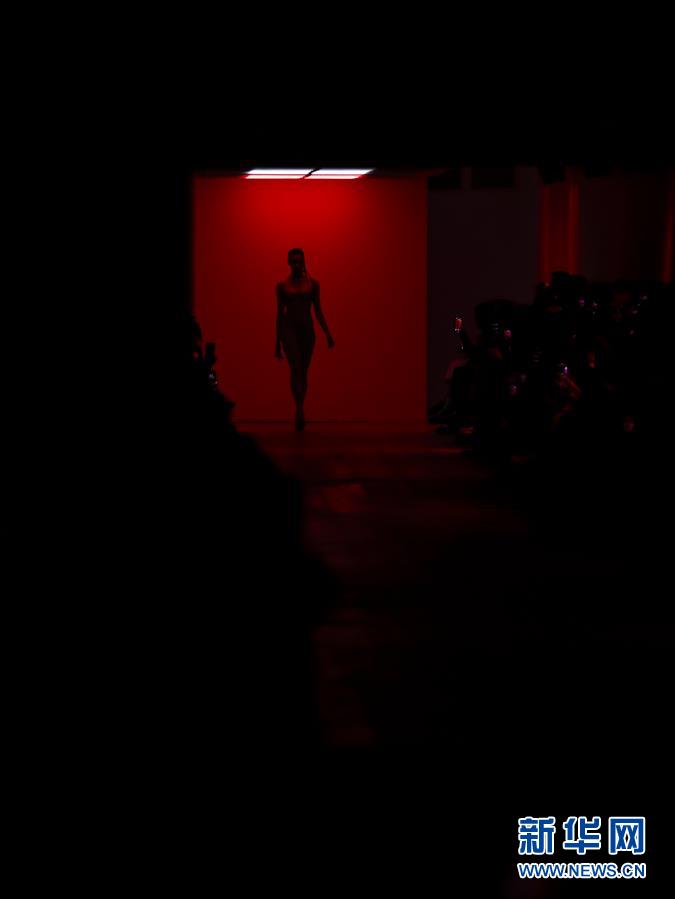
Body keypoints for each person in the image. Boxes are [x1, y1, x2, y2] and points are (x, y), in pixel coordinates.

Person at [275, 248, 335, 430]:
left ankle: (300, 405)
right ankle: (299, 409)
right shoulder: (282, 286)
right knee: (295, 368)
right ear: (288, 263)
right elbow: (279, 314)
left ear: (303, 262)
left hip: (307, 331)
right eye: (293, 261)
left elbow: (318, 310)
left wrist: (327, 333)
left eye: (299, 261)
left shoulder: (313, 285)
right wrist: (277, 343)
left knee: (303, 370)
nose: (296, 264)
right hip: (289, 330)